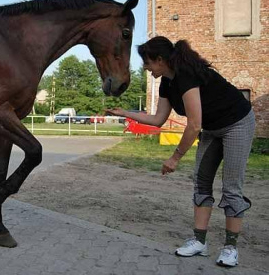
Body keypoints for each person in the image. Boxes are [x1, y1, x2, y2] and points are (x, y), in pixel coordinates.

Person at [107, 36, 255, 268]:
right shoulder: (167, 82)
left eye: (147, 62)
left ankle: (230, 248)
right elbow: (157, 119)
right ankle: (199, 242)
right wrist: (125, 113)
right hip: (213, 128)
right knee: (202, 182)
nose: (145, 67)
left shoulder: (186, 75)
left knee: (231, 187)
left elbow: (194, 125)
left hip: (237, 123)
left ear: (160, 60)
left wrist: (175, 157)